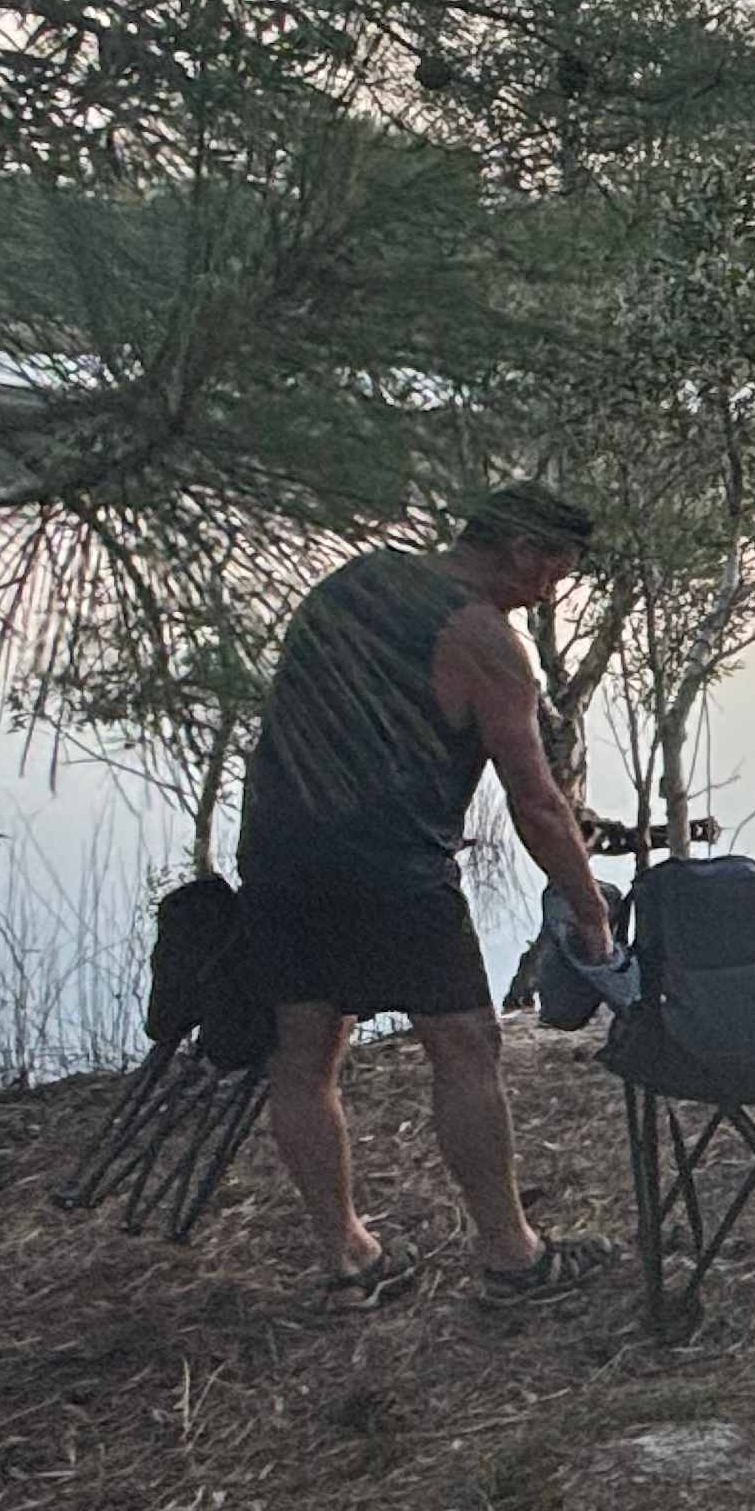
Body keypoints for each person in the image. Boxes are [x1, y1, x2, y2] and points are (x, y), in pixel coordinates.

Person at [237, 483, 622, 1306]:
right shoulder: (483, 636)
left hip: (280, 850)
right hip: (391, 869)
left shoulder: (356, 580)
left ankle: (346, 1260)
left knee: (304, 1056)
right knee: (465, 1046)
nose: (552, 588)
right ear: (521, 551)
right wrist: (590, 909)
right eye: (555, 569)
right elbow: (536, 800)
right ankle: (511, 1256)